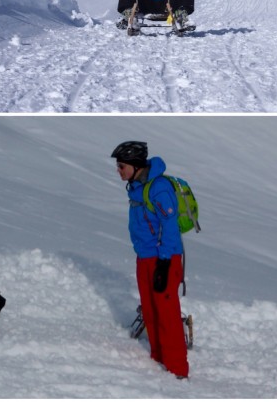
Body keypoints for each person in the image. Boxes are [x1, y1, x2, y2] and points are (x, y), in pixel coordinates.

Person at [111, 141, 189, 379]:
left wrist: (164, 263)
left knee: (167, 312)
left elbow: (170, 227)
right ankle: (158, 357)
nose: (118, 170)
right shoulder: (136, 186)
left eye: (122, 166)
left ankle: (178, 370)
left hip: (164, 258)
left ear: (135, 166)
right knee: (151, 308)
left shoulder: (160, 188)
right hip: (144, 258)